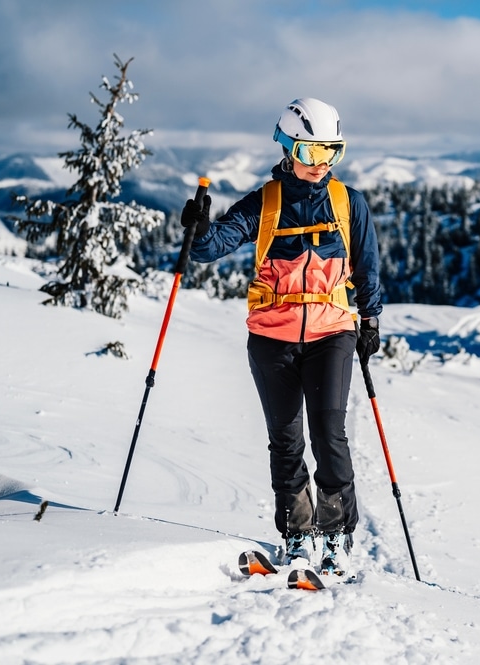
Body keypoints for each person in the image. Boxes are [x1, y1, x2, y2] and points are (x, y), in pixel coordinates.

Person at [181, 97, 382, 576]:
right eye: (312, 153)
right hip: (272, 338)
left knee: (329, 435)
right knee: (286, 439)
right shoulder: (265, 202)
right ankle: (297, 533)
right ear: (289, 148)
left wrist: (370, 321)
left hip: (332, 333)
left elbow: (368, 266)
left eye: (333, 151)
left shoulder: (348, 203)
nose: (323, 164)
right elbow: (211, 248)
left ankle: (335, 536)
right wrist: (199, 226)